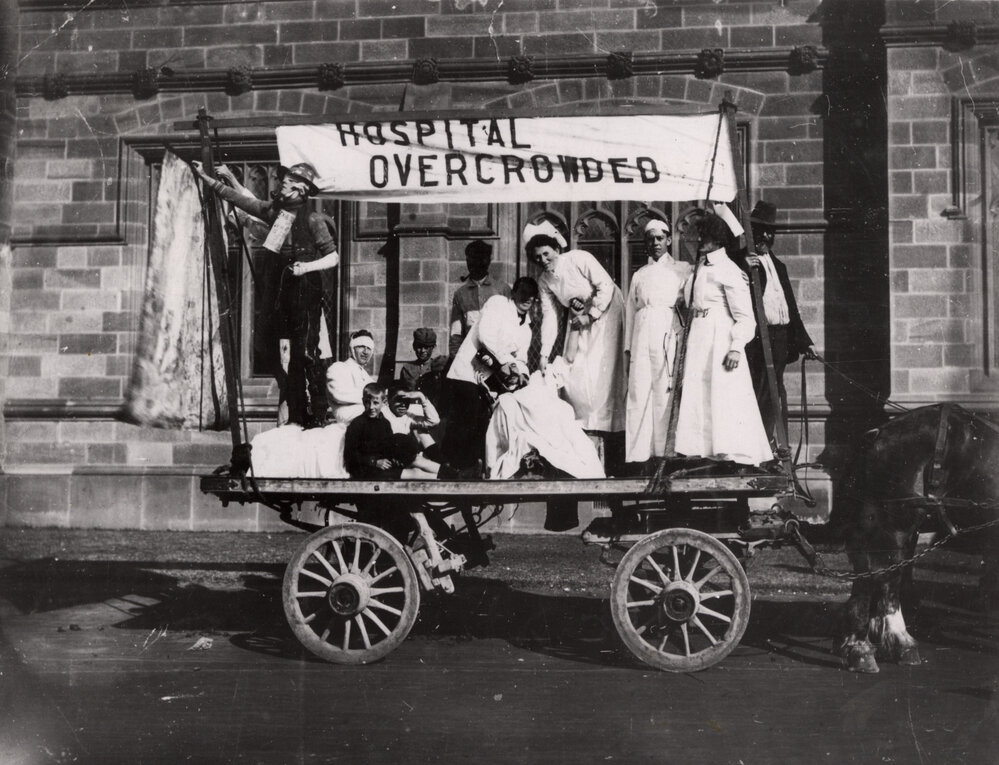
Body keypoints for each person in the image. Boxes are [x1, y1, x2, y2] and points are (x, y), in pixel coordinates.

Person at [192, 160, 339, 428]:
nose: (281, 185)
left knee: (305, 352)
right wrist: (207, 179)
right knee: (274, 347)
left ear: (300, 189)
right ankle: (295, 413)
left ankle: (315, 414)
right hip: (282, 287)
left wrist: (306, 267)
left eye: (286, 182)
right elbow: (243, 200)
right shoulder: (277, 213)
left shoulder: (314, 219)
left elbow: (333, 258)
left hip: (305, 290)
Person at [674, 212, 773, 466]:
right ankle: (702, 451)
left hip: (720, 341)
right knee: (699, 393)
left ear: (716, 239)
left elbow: (745, 317)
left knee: (723, 395)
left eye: (704, 237)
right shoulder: (698, 268)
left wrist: (736, 348)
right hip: (699, 338)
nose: (698, 241)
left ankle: (730, 451)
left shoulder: (729, 270)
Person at [527, 220, 626, 434]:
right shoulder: (544, 282)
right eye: (537, 258)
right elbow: (550, 317)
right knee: (578, 370)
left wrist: (592, 315)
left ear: (556, 249)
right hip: (580, 319)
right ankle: (587, 425)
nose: (543, 260)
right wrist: (544, 353)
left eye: (546, 254)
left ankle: (610, 427)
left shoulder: (578, 258)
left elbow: (605, 285)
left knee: (603, 369)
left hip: (607, 312)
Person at [742, 201, 819, 447]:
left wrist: (805, 342)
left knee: (778, 392)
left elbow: (791, 309)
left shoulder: (779, 266)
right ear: (751, 232)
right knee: (763, 392)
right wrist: (742, 266)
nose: (766, 236)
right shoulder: (739, 261)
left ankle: (775, 444)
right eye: (760, 230)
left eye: (770, 231)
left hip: (781, 338)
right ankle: (761, 446)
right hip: (757, 339)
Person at [442, 277, 539, 474]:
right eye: (523, 293)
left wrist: (521, 374)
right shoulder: (498, 304)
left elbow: (521, 358)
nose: (526, 299)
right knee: (463, 425)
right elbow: (486, 336)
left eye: (531, 296)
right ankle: (448, 474)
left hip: (489, 382)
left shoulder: (526, 329)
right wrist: (506, 363)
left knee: (482, 428)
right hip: (467, 374)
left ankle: (471, 476)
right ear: (514, 293)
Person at [624, 218, 691, 465]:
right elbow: (631, 310)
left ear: (669, 240)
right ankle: (639, 455)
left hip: (667, 332)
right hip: (641, 334)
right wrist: (628, 349)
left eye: (660, 238)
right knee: (639, 390)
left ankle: (665, 454)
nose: (655, 243)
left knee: (664, 390)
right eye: (650, 239)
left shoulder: (683, 269)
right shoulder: (639, 274)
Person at [344, 384, 424, 480]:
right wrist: (374, 462)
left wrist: (394, 459)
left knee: (417, 461)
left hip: (382, 464)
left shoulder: (385, 423)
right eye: (367, 402)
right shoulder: (358, 424)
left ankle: (443, 473)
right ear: (363, 401)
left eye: (376, 403)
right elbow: (350, 454)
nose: (371, 407)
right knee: (415, 473)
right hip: (365, 469)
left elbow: (387, 447)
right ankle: (444, 480)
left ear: (383, 402)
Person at [449, 239, 511, 357]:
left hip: (499, 353)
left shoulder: (502, 289)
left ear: (487, 261)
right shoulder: (460, 294)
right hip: (470, 354)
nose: (473, 264)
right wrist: (455, 357)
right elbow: (456, 331)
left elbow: (512, 325)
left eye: (478, 259)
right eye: (470, 260)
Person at [382, 386, 441, 477]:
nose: (403, 405)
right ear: (388, 400)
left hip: (406, 458)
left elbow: (434, 421)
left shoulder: (408, 416)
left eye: (406, 401)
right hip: (389, 460)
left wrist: (422, 397)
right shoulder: (383, 413)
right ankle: (449, 473)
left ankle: (445, 468)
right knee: (418, 467)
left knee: (421, 433)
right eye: (399, 400)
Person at [326, 329, 375, 424]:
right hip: (348, 419)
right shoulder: (338, 367)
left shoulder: (367, 377)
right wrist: (373, 397)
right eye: (361, 346)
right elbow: (338, 394)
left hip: (368, 416)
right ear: (353, 349)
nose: (365, 352)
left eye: (369, 348)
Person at [399, 327, 447, 403]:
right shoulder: (407, 369)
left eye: (426, 347)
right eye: (419, 347)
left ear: (433, 347)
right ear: (414, 347)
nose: (422, 351)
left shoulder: (438, 368)